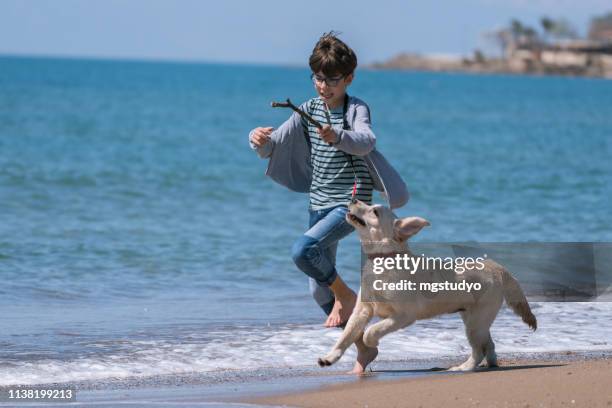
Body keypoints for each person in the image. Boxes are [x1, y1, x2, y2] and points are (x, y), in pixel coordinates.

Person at [249, 32, 408, 328]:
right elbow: (271, 148)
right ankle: (357, 343)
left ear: (349, 78)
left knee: (303, 251)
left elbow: (366, 141)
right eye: (318, 78)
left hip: (351, 204)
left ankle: (346, 296)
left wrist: (337, 136)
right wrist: (256, 139)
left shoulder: (354, 109)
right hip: (318, 203)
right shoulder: (308, 110)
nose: (324, 87)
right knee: (317, 288)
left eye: (332, 80)